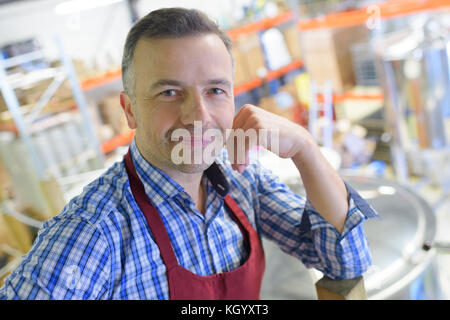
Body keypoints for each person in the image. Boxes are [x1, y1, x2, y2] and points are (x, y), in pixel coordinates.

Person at [0, 8, 378, 300]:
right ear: (129, 109)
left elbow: (344, 259)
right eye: (169, 93)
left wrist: (305, 148)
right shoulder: (94, 233)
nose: (198, 116)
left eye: (215, 90)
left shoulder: (241, 179)